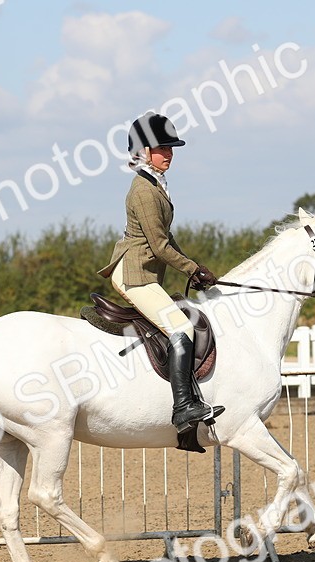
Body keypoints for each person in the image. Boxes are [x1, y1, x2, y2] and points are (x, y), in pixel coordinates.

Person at [98, 111, 224, 437]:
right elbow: (157, 246)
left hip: (147, 272)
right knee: (182, 326)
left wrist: (192, 267)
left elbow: (167, 239)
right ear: (141, 151)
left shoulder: (156, 184)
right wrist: (192, 267)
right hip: (134, 272)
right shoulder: (142, 189)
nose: (169, 153)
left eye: (171, 148)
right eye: (161, 148)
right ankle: (183, 407)